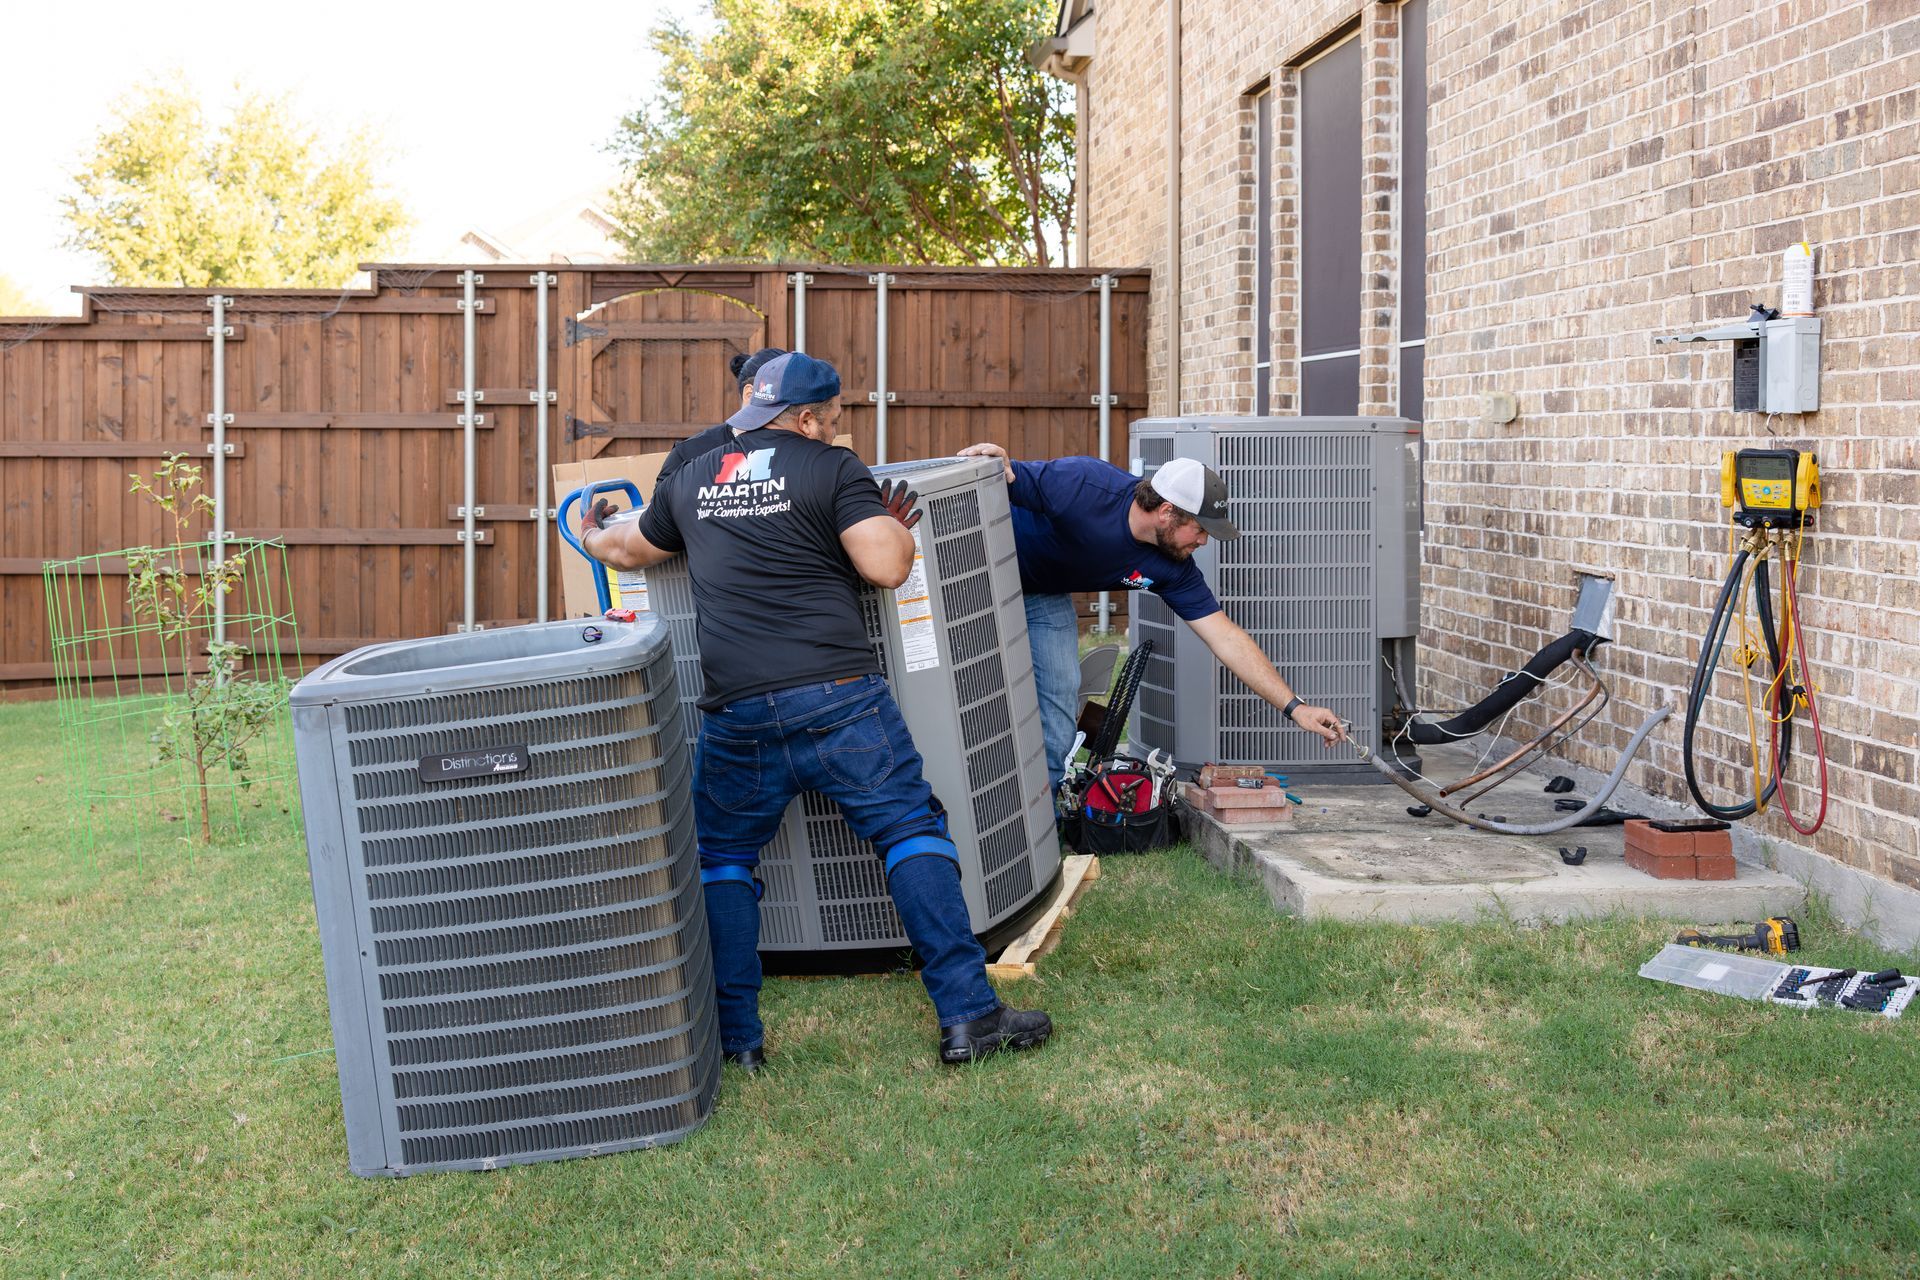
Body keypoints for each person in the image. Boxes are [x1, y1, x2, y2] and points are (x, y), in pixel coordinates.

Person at [583, 352, 1051, 1070]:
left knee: (724, 858)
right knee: (908, 830)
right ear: (805, 419)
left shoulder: (693, 480)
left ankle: (737, 1041)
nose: (836, 429)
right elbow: (887, 568)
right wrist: (892, 525)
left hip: (737, 709)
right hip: (838, 698)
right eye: (831, 419)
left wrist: (591, 531)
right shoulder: (832, 470)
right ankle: (968, 1019)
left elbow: (626, 548)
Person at [955, 443, 1348, 794]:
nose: (1203, 542)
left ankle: (1045, 817)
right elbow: (1005, 477)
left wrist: (1296, 707)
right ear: (1166, 513)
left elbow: (1225, 637)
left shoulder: (1173, 567)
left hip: (1042, 593)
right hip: (978, 574)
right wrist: (998, 459)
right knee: (971, 693)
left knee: (1060, 696)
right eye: (1199, 530)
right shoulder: (1085, 485)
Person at [653, 346, 787, 486]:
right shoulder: (689, 454)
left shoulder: (800, 452)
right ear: (750, 395)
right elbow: (661, 505)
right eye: (783, 400)